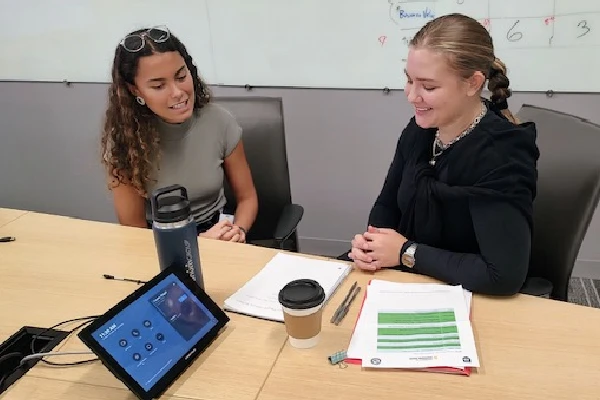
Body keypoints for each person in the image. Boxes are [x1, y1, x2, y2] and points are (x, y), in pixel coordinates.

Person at [347, 14, 540, 296]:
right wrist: (373, 245)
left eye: (429, 86)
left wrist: (404, 252)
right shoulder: (420, 130)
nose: (412, 96)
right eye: (409, 80)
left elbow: (502, 275)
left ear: (473, 83)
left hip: (467, 294)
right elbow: (387, 204)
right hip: (412, 279)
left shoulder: (500, 155)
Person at [100, 26, 258, 242]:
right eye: (158, 86)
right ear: (135, 90)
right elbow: (134, 234)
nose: (177, 93)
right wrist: (197, 244)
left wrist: (238, 231)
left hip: (220, 233)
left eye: (181, 76)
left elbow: (247, 198)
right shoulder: (125, 142)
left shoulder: (220, 121)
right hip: (159, 245)